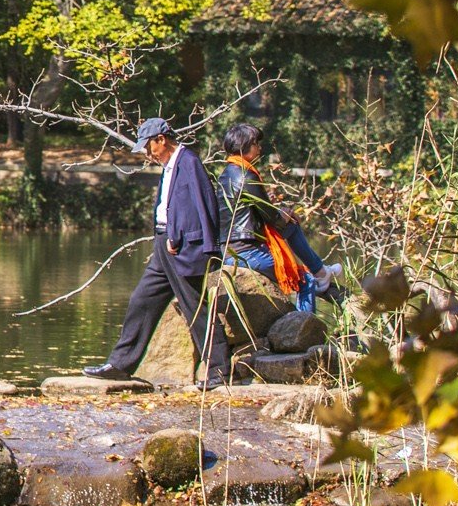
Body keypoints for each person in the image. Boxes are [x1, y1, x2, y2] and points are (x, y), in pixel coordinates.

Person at [82, 117, 231, 389]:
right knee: (142, 300)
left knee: (195, 308)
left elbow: (202, 205)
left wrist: (185, 240)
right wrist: (164, 238)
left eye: (149, 147)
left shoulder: (189, 162)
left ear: (162, 139)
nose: (148, 154)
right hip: (165, 245)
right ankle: (120, 364)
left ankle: (219, 370)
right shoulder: (170, 164)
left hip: (183, 247)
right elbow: (173, 205)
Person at [218, 123, 341, 312]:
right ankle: (304, 329)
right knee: (305, 280)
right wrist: (286, 212)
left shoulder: (226, 174)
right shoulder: (246, 175)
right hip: (246, 253)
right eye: (256, 143)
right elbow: (271, 218)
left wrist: (281, 213)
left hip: (231, 250)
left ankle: (320, 271)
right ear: (246, 145)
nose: (260, 148)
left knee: (290, 225)